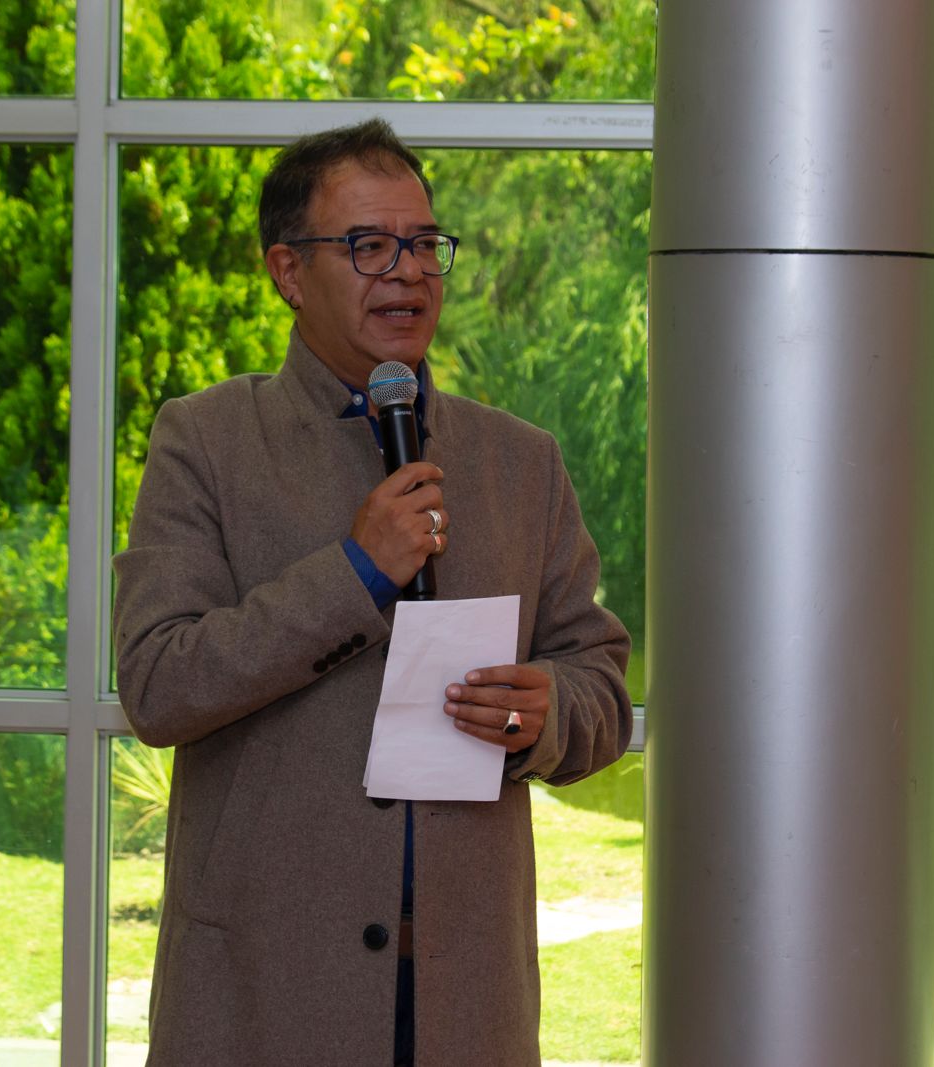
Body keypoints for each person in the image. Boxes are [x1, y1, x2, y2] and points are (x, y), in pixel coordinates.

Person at [112, 118, 632, 1066]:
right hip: (263, 999)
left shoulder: (521, 462)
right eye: (368, 246)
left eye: (425, 244)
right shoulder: (206, 442)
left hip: (465, 1006)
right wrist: (356, 571)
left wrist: (547, 710)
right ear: (288, 270)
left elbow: (597, 680)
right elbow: (158, 683)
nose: (407, 273)